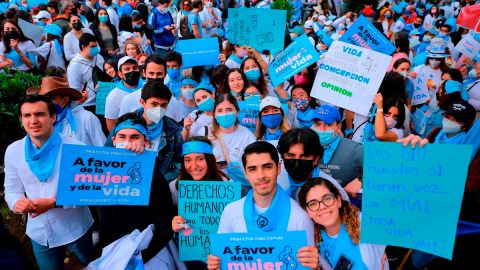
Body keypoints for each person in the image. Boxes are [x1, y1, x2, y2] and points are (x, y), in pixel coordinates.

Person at [4, 94, 95, 270]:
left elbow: (86, 192)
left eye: (40, 114)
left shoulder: (76, 149)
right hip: (40, 232)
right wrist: (17, 203)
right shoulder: (13, 151)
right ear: (21, 120)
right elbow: (11, 189)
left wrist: (53, 203)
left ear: (53, 117)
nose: (33, 121)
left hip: (76, 228)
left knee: (91, 265)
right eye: (27, 116)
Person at [207, 141, 319, 270]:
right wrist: (216, 264)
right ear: (245, 173)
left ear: (278, 168)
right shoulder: (230, 211)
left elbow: (307, 266)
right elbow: (222, 259)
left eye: (267, 167)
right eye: (252, 169)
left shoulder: (301, 217)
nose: (261, 176)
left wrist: (315, 266)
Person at [99, 112, 176, 267]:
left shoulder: (154, 174)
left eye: (135, 137)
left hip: (146, 253)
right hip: (111, 252)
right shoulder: (99, 171)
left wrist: (141, 257)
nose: (128, 143)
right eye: (122, 137)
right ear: (113, 141)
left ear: (146, 142)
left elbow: (165, 223)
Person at [298, 178, 387, 269]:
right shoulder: (309, 239)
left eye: (327, 198)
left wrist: (362, 180)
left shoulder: (365, 223)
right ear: (307, 212)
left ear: (339, 201)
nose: (322, 206)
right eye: (313, 204)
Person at [109, 80, 183, 182]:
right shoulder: (124, 126)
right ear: (142, 102)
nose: (159, 109)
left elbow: (180, 159)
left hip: (159, 185)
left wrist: (167, 180)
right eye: (154, 104)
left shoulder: (173, 130)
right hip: (127, 182)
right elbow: (107, 155)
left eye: (163, 105)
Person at [35, 76, 106, 146]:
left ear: (65, 100)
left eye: (52, 98)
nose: (47, 103)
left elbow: (102, 150)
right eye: (45, 99)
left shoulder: (87, 118)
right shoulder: (45, 121)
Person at [311, 105, 363, 197]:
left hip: (350, 205)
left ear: (339, 127)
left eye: (328, 125)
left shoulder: (355, 149)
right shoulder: (308, 149)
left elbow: (382, 168)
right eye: (318, 124)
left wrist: (361, 180)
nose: (322, 130)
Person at [209, 93, 256, 188]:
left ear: (237, 112)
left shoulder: (247, 136)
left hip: (241, 188)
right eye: (220, 111)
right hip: (214, 189)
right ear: (214, 114)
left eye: (229, 110)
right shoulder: (205, 133)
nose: (225, 114)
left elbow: (254, 165)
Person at [67, 33, 105, 112]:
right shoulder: (75, 65)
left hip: (102, 101)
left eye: (96, 46)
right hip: (87, 105)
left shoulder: (99, 57)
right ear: (83, 47)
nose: (96, 49)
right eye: (92, 47)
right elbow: (74, 90)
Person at [105, 56, 144, 131]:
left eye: (135, 68)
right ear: (120, 74)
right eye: (127, 69)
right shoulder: (113, 96)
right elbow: (111, 126)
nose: (132, 71)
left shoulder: (147, 87)